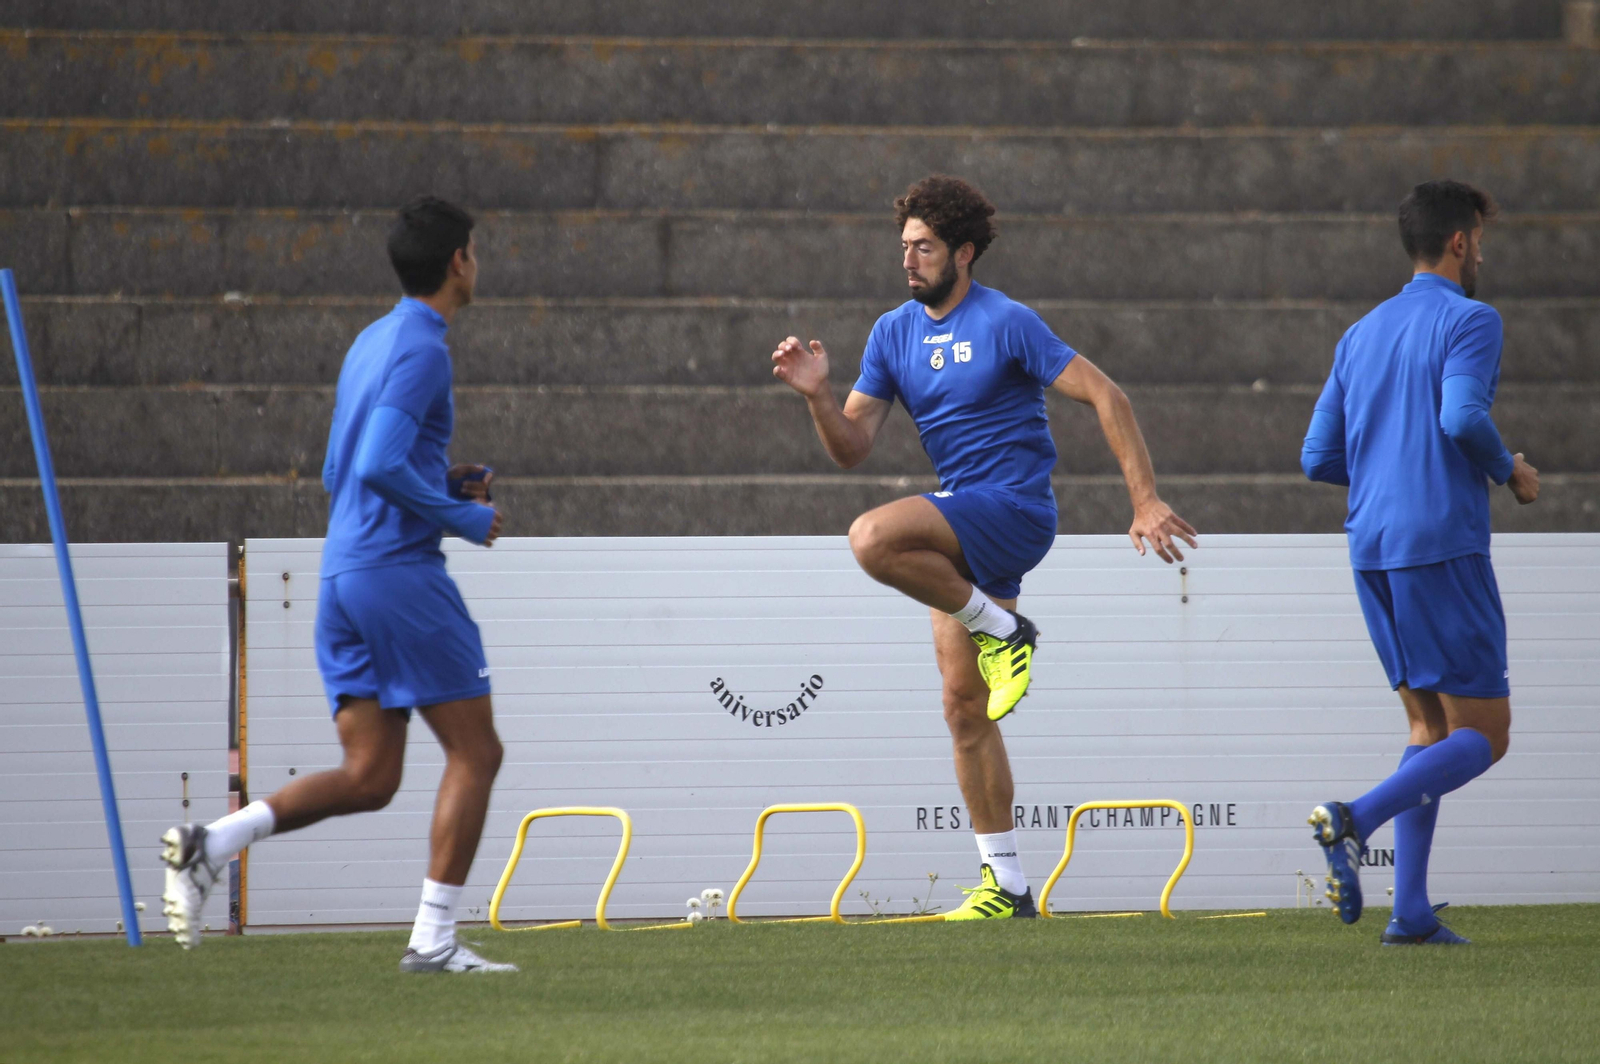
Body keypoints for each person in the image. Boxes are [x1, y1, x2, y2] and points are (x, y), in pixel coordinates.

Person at [772, 174, 1196, 920]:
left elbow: (1108, 394)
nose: (909, 260)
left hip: (1016, 509)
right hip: (964, 524)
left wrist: (1145, 500)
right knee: (965, 709)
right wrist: (815, 397)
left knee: (870, 537)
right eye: (903, 246)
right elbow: (852, 448)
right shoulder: (891, 333)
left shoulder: (1008, 322)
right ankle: (1008, 886)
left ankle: (1005, 630)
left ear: (963, 253)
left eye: (925, 247)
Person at [161, 196, 516, 973]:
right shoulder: (426, 347)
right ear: (459, 260)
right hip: (399, 577)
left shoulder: (368, 341)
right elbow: (377, 466)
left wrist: (439, 481)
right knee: (477, 753)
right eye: (476, 252)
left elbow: (339, 470)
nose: (478, 263)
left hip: (344, 574)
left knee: (371, 776)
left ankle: (210, 844)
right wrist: (459, 516)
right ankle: (433, 941)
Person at [1302, 179, 1540, 945]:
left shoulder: (1360, 333)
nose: (1483, 254)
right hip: (1440, 543)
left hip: (1370, 545)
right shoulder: (1472, 320)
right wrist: (1509, 470)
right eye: (1482, 240)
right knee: (1487, 733)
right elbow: (1463, 415)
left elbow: (1317, 457)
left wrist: (1388, 476)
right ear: (1461, 242)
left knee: (1428, 727)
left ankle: (1409, 911)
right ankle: (1355, 819)